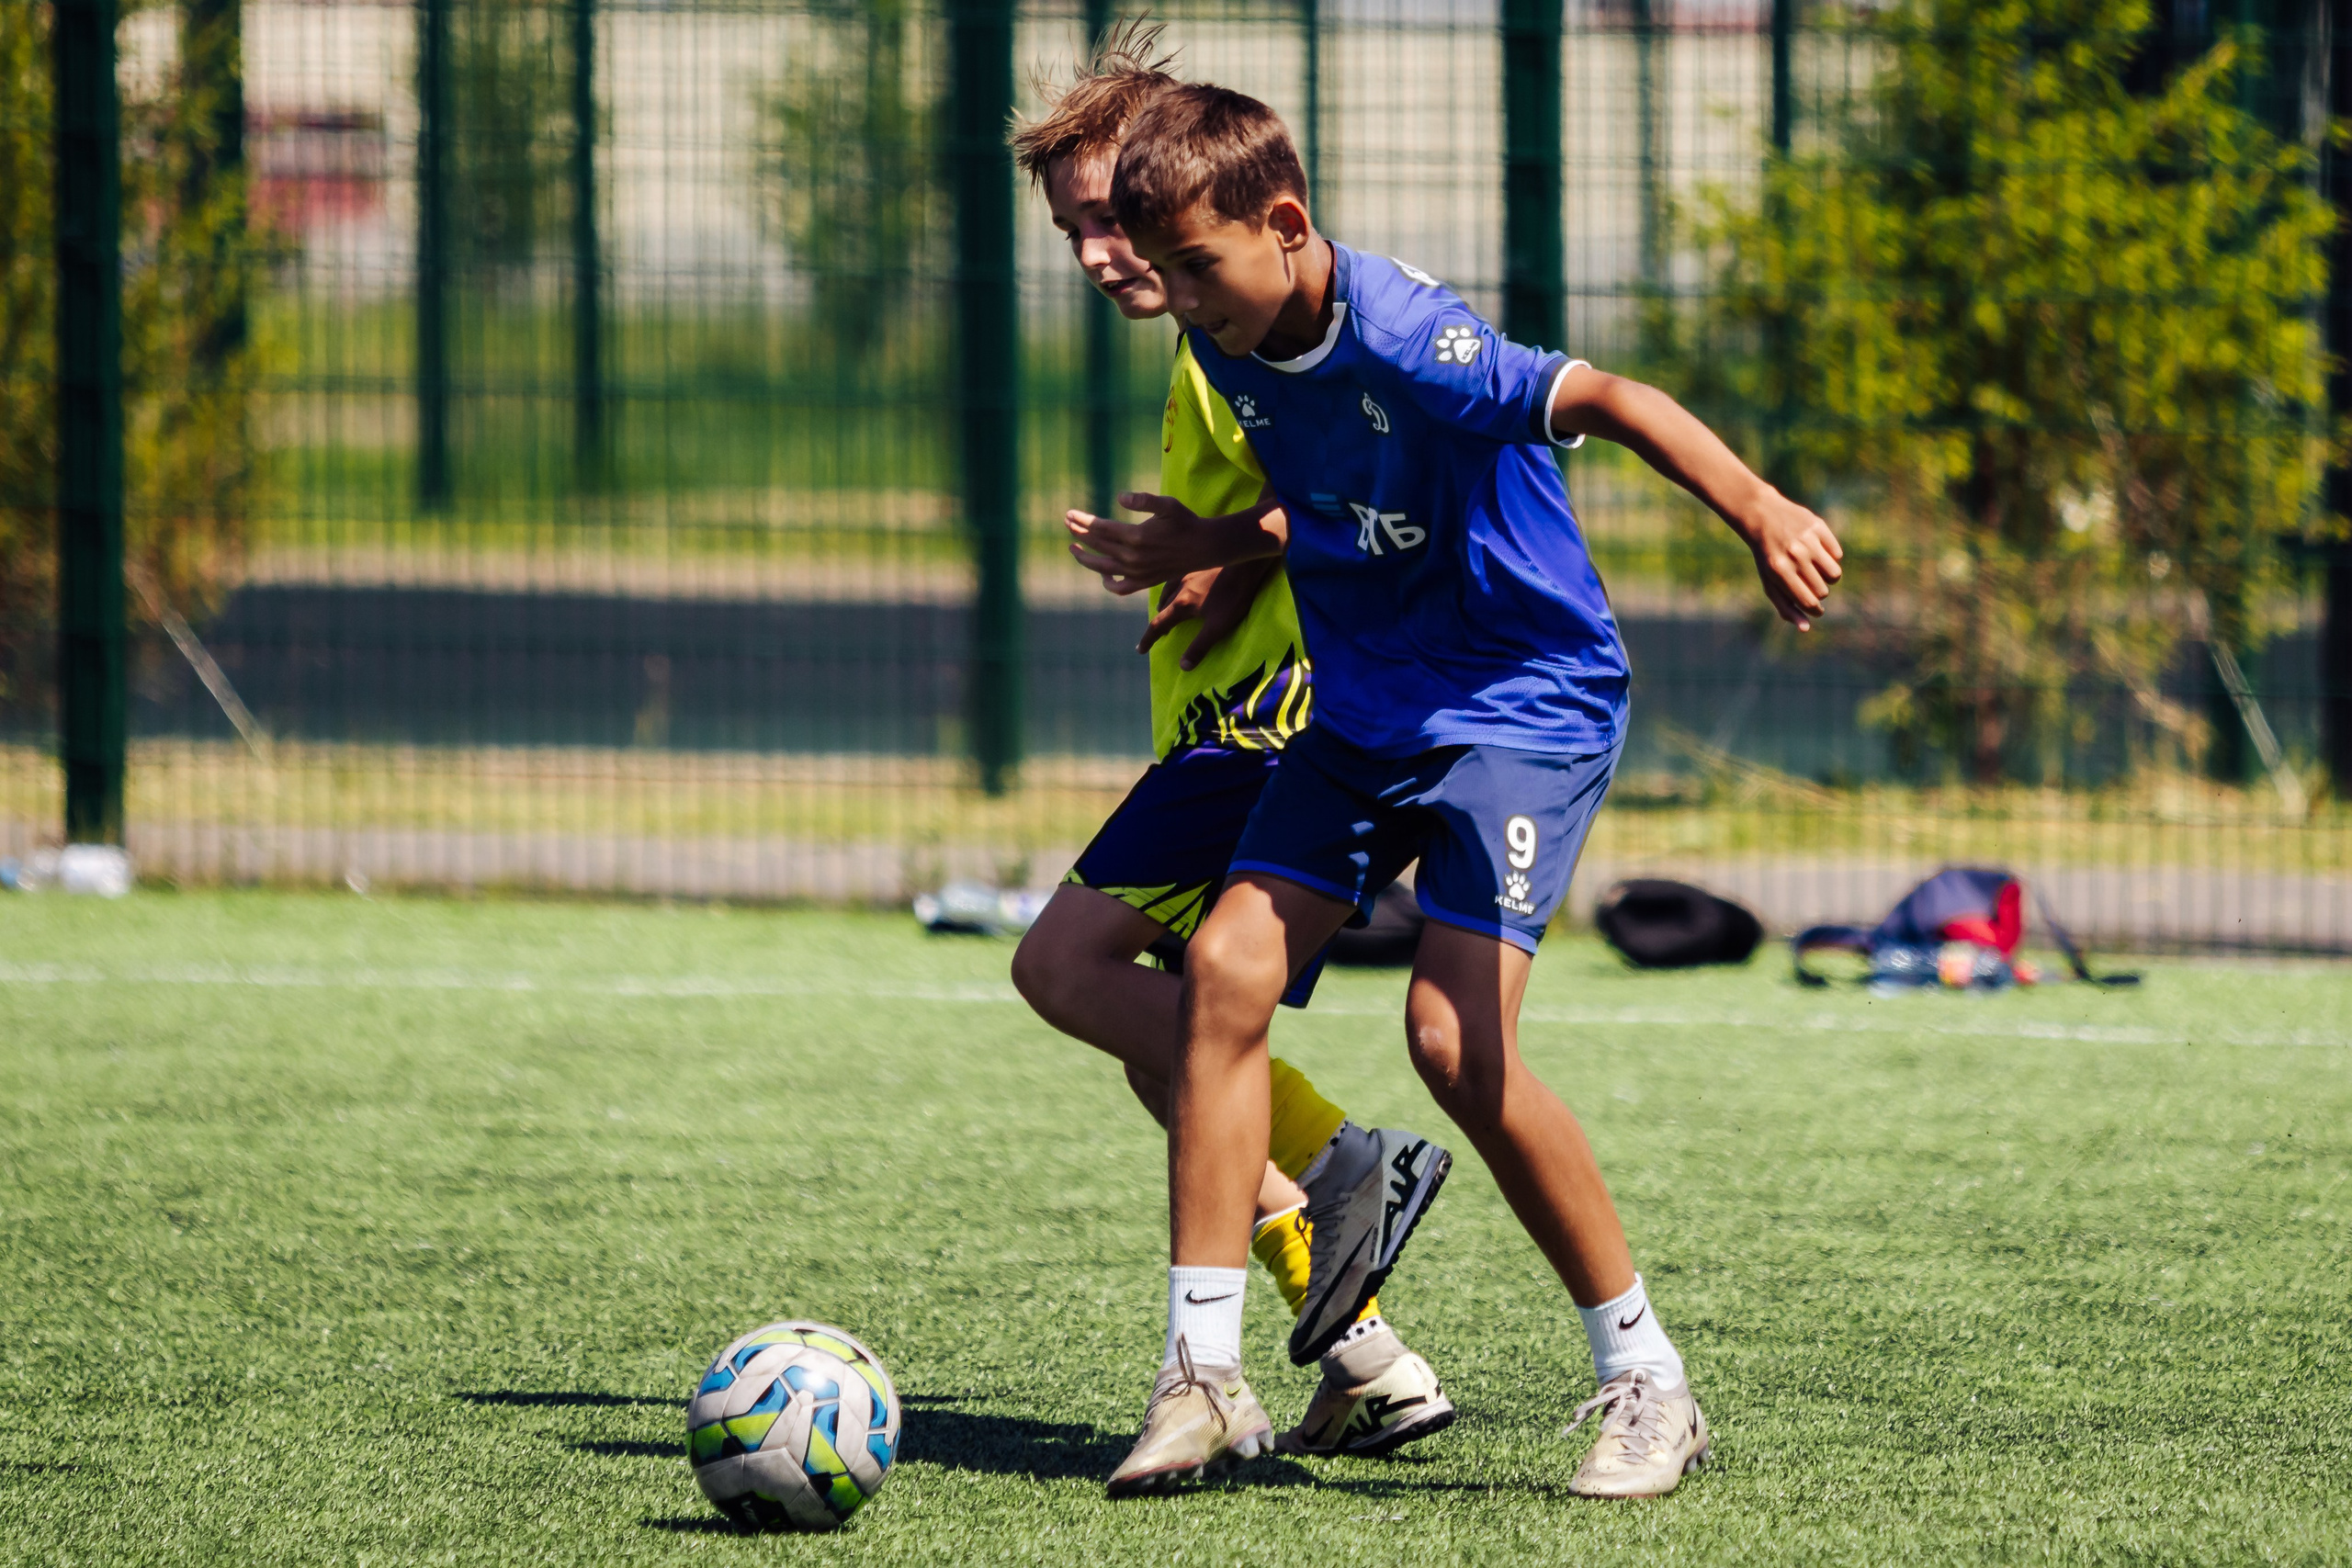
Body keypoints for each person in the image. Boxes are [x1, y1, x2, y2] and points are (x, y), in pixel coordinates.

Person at [1070, 82, 1845, 1498]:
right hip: (1368, 708)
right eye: (1163, 270)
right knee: (1230, 972)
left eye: (1197, 266)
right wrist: (1220, 539)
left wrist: (1762, 510)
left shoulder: (1418, 339)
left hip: (1518, 701)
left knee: (1453, 1042)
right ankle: (1202, 1377)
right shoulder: (1237, 336)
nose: (1178, 297)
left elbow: (1599, 397)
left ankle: (1648, 1382)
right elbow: (1342, 491)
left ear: (1287, 224)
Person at [1001, 32, 1455, 1464]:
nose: (1098, 252)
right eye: (1076, 229)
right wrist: (1212, 564)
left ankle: (1335, 1168)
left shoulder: (1234, 331)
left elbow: (1344, 483)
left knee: (1066, 966)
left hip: (1284, 719)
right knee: (1186, 1045)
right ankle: (1373, 1364)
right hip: (1232, 716)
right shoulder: (1205, 336)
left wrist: (1224, 553)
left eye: (1111, 216)